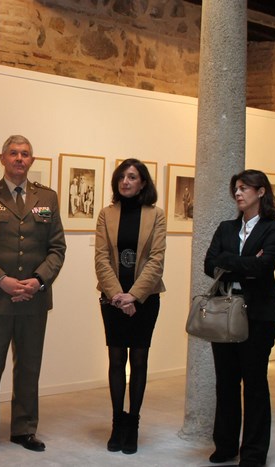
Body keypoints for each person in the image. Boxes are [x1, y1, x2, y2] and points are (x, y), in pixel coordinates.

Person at [0, 135, 66, 455]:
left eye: (25, 154)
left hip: (33, 298)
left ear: (31, 161)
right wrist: (2, 281)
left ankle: (24, 428)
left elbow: (57, 248)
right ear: (2, 158)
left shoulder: (47, 197)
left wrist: (38, 281)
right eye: (13, 153)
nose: (19, 159)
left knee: (29, 367)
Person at [204, 170, 275, 467]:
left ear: (261, 192)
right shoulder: (226, 227)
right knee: (226, 382)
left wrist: (231, 262)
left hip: (259, 316)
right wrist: (245, 263)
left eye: (244, 188)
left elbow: (264, 267)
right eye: (235, 189)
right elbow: (209, 265)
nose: (238, 193)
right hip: (224, 313)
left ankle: (253, 453)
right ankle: (225, 446)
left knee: (254, 383)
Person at [94, 158, 165, 455]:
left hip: (145, 300)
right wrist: (118, 297)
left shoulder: (156, 215)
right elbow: (101, 259)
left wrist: (133, 296)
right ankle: (116, 423)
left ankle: (132, 423)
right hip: (112, 300)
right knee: (115, 360)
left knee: (138, 362)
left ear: (143, 182)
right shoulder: (106, 214)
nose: (126, 181)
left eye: (132, 176)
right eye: (122, 176)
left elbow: (156, 260)